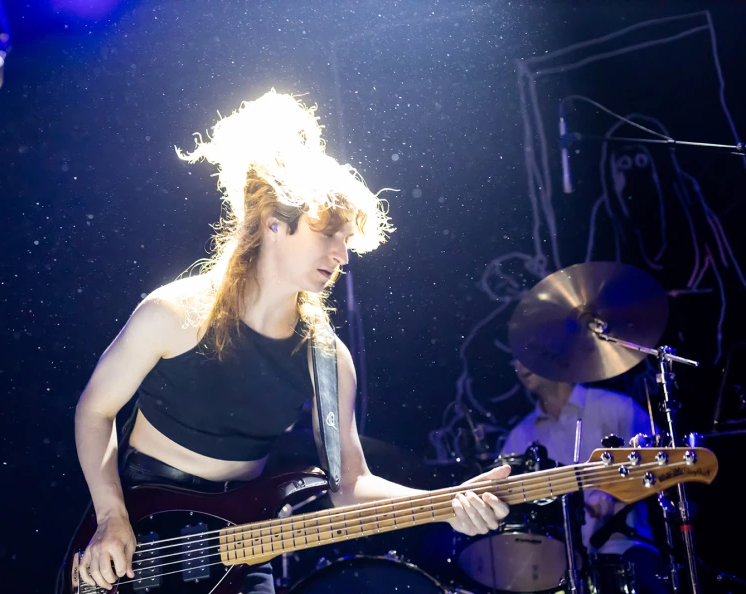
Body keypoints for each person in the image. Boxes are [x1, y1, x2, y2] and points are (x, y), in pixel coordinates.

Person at [73, 89, 512, 592]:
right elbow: (95, 410)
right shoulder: (173, 313)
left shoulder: (326, 357)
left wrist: (446, 504)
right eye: (329, 235)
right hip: (142, 538)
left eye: (349, 242)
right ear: (275, 224)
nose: (342, 256)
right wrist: (111, 516)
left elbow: (349, 485)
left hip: (241, 546)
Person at [501, 358, 669, 594]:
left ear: (555, 352)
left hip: (622, 549)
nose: (519, 365)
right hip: (553, 566)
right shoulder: (518, 437)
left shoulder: (617, 408)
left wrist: (613, 495)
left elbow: (662, 461)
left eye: (526, 354)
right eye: (514, 359)